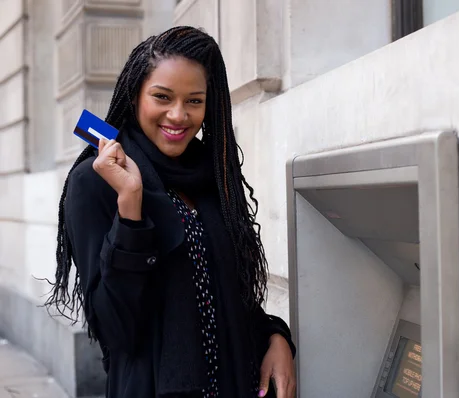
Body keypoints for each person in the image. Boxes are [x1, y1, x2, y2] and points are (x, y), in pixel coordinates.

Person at [44, 26, 296, 398]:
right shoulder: (94, 184)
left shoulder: (211, 174)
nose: (178, 115)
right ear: (135, 97)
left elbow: (226, 289)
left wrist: (275, 336)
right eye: (162, 97)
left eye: (194, 101)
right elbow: (116, 330)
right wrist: (131, 206)